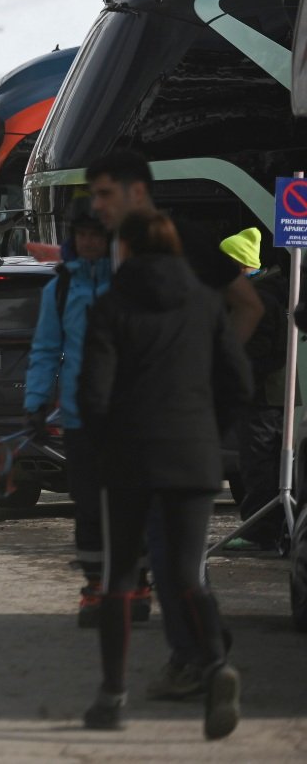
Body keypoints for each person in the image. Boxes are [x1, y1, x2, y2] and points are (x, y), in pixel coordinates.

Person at [87, 149, 260, 697]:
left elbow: (248, 306)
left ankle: (192, 662)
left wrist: (203, 394)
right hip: (176, 435)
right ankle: (203, 657)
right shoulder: (116, 252)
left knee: (165, 561)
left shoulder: (183, 239)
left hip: (163, 433)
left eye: (105, 193)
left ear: (138, 192)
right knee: (169, 562)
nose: (97, 206)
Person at [23, 201, 116, 624]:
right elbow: (45, 350)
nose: (90, 242)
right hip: (80, 417)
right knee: (88, 504)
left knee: (133, 502)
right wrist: (36, 401)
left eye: (98, 234)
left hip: (130, 416)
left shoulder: (130, 283)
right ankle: (95, 585)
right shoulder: (59, 289)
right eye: (83, 235)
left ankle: (136, 579)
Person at [221, 230, 288, 554]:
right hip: (272, 395)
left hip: (260, 396)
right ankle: (267, 529)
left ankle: (259, 533)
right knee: (267, 463)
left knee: (258, 463)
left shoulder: (257, 297)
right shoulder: (268, 291)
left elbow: (258, 353)